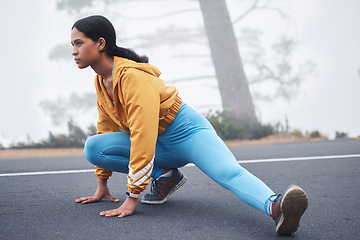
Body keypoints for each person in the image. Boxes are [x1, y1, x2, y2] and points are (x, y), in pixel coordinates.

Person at [71, 15, 308, 236]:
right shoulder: (101, 81)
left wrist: (133, 196)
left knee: (228, 172)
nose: (74, 51)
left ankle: (275, 207)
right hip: (157, 143)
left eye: (79, 43)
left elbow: (142, 134)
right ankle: (165, 175)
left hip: (185, 131)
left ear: (100, 43)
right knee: (94, 147)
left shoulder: (132, 77)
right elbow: (107, 126)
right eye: (72, 45)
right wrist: (102, 183)